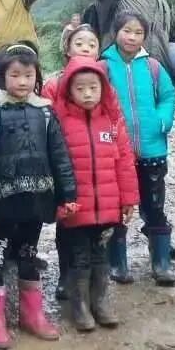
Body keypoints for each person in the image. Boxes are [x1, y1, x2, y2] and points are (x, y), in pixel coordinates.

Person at [0, 43, 77, 349]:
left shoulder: (44, 111)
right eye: (15, 75)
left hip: (35, 201)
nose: (22, 81)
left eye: (28, 75)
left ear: (37, 77)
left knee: (28, 256)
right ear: (2, 76)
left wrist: (67, 194)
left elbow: (60, 157)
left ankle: (32, 315)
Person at [51, 57, 138, 332]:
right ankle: (80, 306)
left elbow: (124, 160)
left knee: (101, 255)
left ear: (104, 88)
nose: (87, 94)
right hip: (76, 207)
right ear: (68, 90)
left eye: (93, 87)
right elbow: (54, 164)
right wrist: (59, 201)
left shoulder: (111, 121)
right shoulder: (60, 121)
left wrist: (129, 199)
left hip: (108, 206)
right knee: (79, 257)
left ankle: (100, 302)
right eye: (80, 88)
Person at [101, 11, 175, 286]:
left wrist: (162, 120)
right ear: (115, 33)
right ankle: (117, 263)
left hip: (151, 150)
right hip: (115, 153)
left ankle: (161, 263)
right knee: (115, 208)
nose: (132, 37)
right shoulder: (103, 67)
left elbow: (168, 96)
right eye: (127, 31)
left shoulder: (153, 67)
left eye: (138, 32)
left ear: (145, 36)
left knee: (154, 206)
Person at [40, 21, 105, 300]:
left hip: (95, 163)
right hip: (64, 163)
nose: (85, 48)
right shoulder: (54, 85)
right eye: (79, 43)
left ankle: (91, 282)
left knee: (97, 223)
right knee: (67, 220)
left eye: (91, 44)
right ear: (67, 48)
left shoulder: (102, 82)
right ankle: (66, 275)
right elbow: (45, 123)